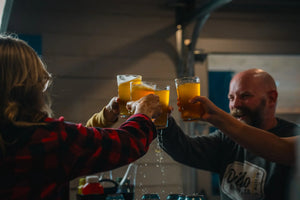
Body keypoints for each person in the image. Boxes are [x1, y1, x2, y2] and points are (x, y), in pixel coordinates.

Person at [0, 34, 162, 200]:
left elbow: (81, 141)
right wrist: (143, 114)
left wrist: (105, 116)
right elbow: (126, 145)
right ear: (30, 86)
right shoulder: (50, 138)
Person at [159, 68, 300, 200]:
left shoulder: (292, 135)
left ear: (271, 98)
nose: (235, 104)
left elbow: (278, 148)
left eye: (245, 96)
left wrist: (216, 117)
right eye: (231, 98)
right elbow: (184, 149)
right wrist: (163, 120)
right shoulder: (226, 138)